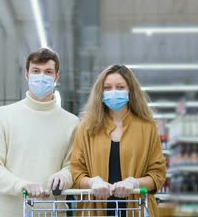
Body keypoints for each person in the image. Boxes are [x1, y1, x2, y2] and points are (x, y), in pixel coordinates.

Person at [0, 48, 79, 217]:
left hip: (54, 212)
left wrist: (64, 176)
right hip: (10, 212)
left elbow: (73, 166)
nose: (41, 76)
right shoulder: (3, 116)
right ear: (27, 74)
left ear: (56, 76)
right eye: (36, 71)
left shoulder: (71, 122)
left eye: (48, 72)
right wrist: (21, 185)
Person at [70, 64, 166, 216]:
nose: (113, 92)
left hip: (137, 209)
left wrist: (134, 183)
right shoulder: (87, 128)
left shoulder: (147, 128)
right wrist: (92, 182)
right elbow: (76, 173)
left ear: (130, 91)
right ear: (100, 92)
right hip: (95, 210)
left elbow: (158, 175)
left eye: (120, 87)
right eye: (107, 88)